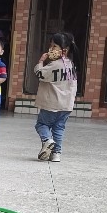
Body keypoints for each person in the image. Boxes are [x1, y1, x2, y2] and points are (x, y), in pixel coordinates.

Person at [34, 32, 78, 161]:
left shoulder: (54, 65)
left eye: (54, 46)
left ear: (64, 50)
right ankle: (56, 154)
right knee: (59, 128)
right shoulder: (71, 64)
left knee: (41, 124)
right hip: (66, 105)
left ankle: (47, 140)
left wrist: (41, 61)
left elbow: (39, 73)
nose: (50, 49)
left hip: (51, 104)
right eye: (50, 46)